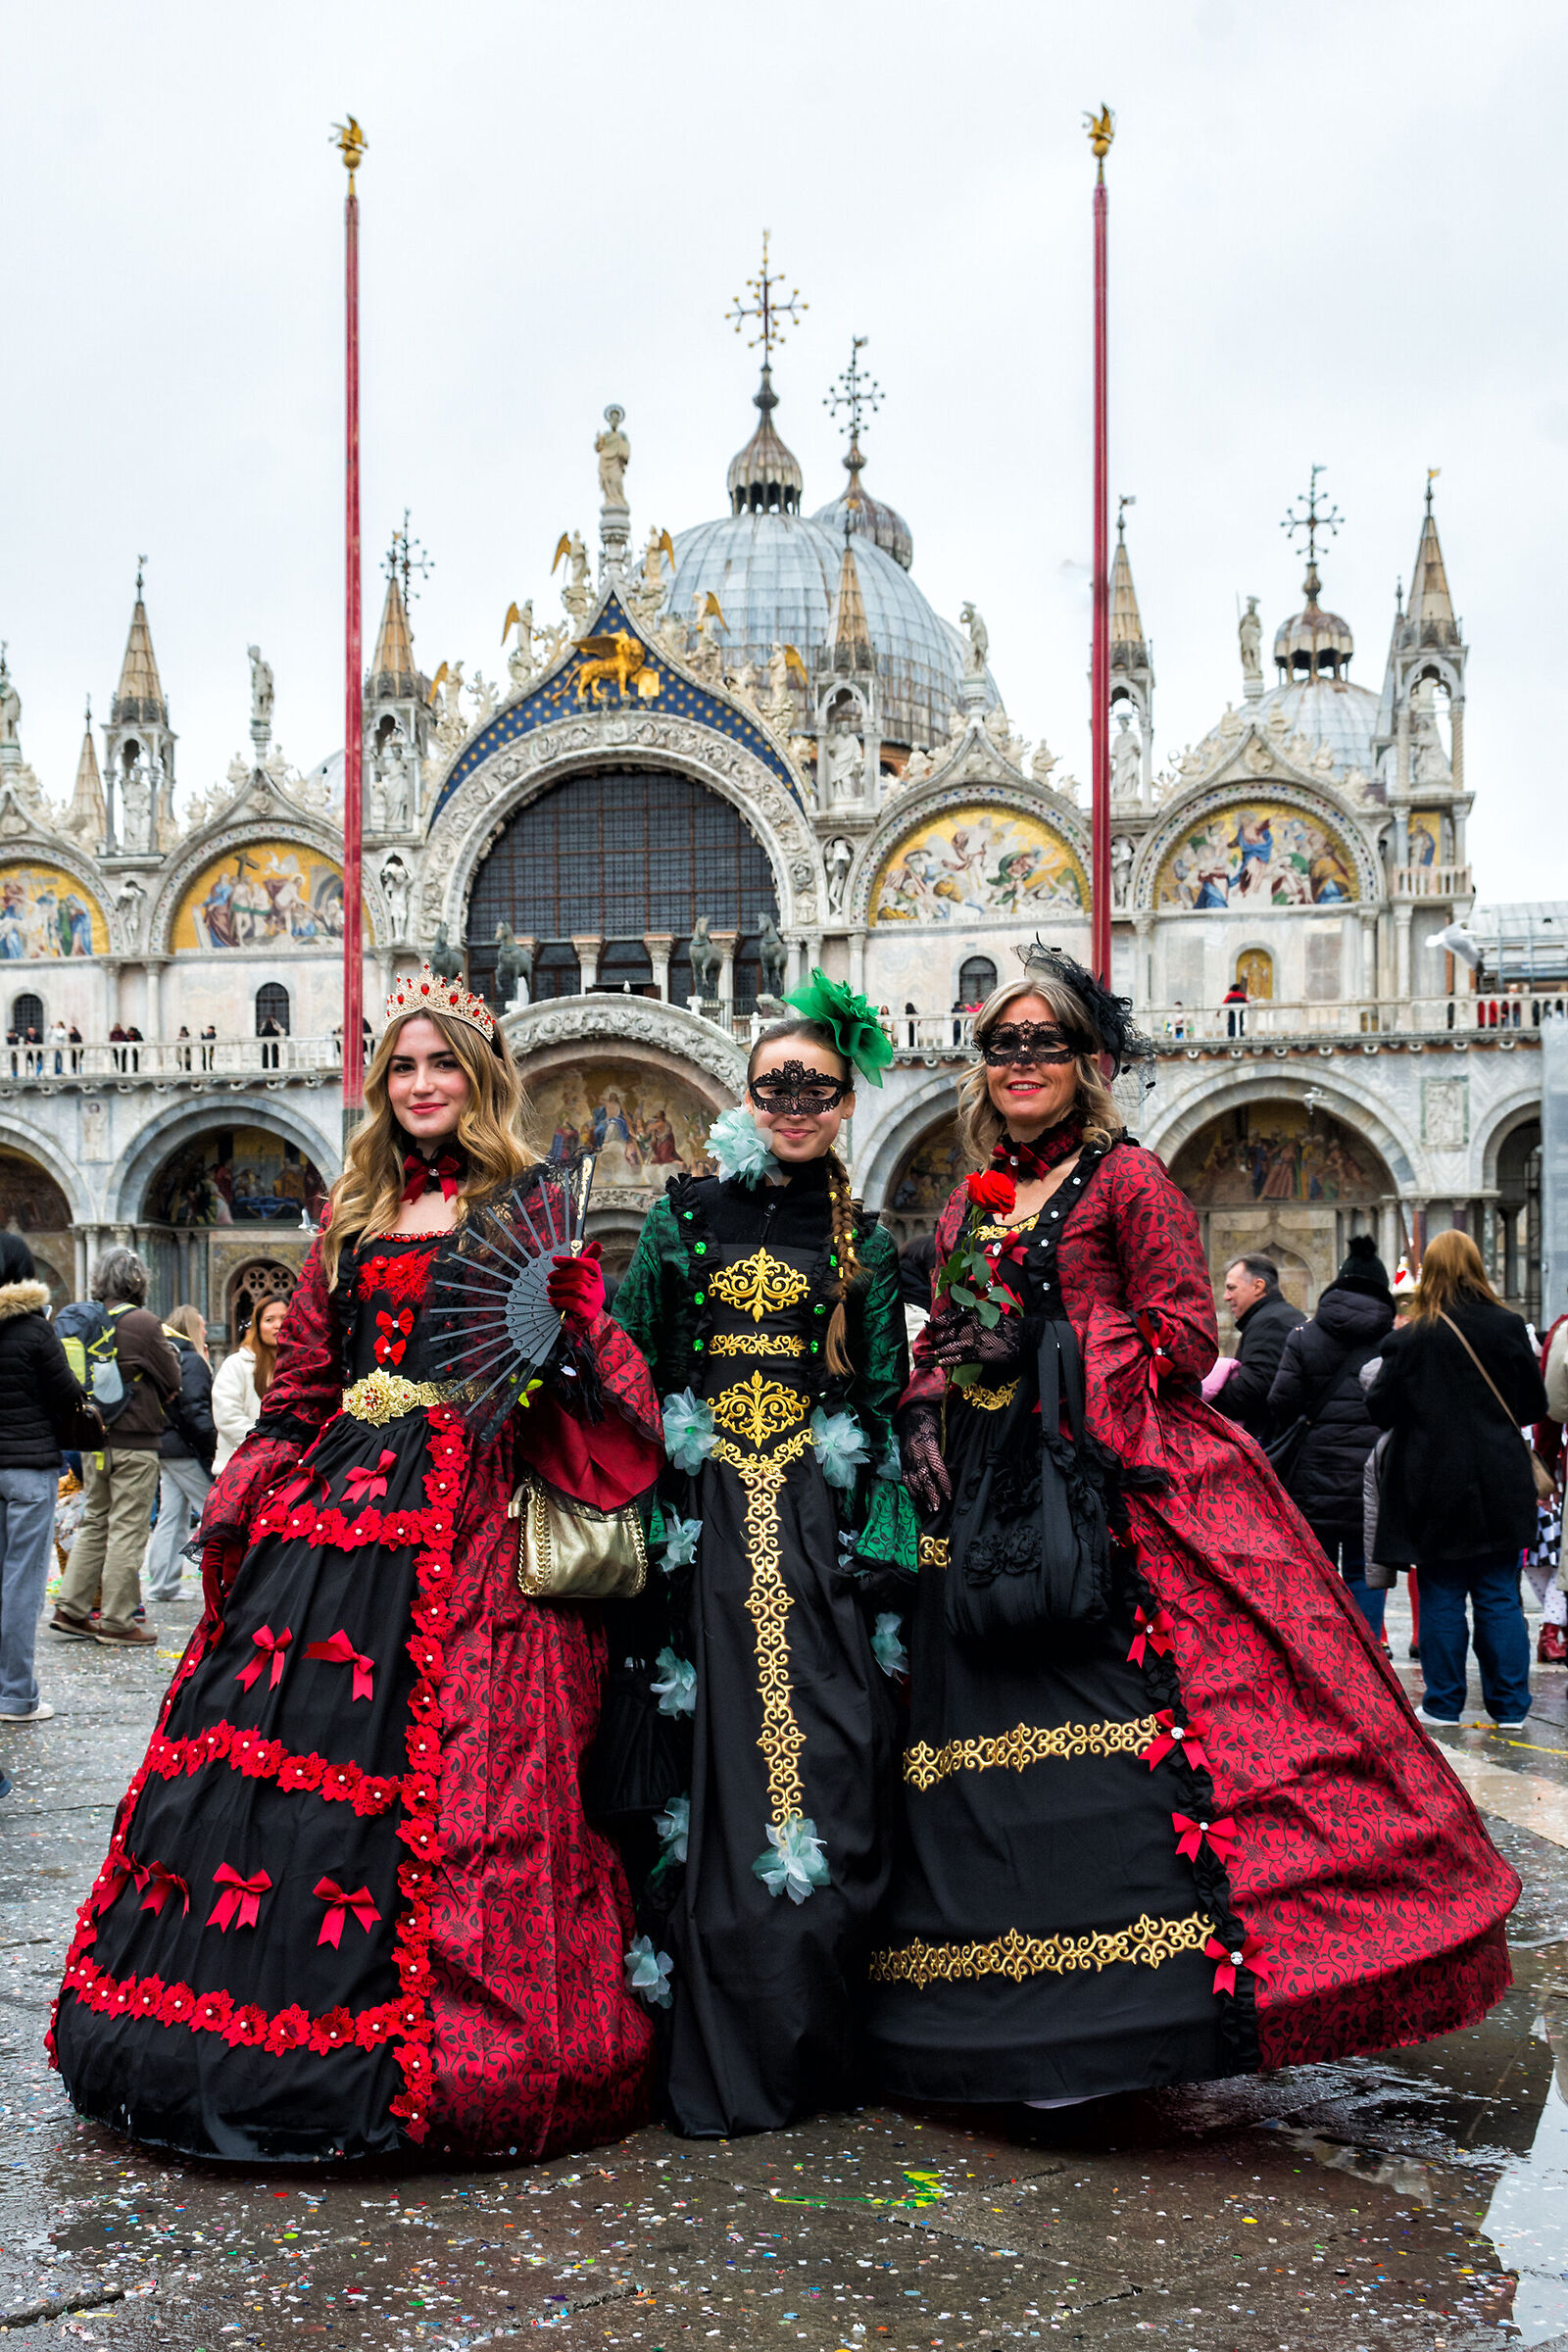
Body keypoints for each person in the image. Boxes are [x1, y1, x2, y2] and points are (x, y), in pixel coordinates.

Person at [867, 944, 1517, 2113]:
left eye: (1043, 1045)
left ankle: (1129, 2022)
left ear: (1086, 1062)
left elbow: (1176, 1335)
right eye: (1002, 1045)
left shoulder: (1130, 1181)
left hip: (1117, 1493)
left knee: (1132, 1744)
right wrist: (923, 1411)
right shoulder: (973, 1197)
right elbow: (941, 1340)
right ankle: (1003, 2018)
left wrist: (1050, 1349)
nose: (1022, 1064)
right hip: (987, 1503)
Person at [52, 964, 663, 2164]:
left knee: (481, 1769)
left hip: (475, 1515)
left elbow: (601, 1377)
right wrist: (256, 1480)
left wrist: (576, 1325)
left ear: (479, 1080)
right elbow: (308, 1387)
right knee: (286, 1766)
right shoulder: (350, 1213)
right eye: (403, 1065)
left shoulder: (528, 1203)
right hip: (342, 1524)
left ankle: (468, 2037)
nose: (422, 1084)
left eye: (443, 1064)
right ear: (383, 1083)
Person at [612, 973, 915, 2137]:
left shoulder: (866, 1242)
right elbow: (638, 1358)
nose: (794, 1103)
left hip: (816, 1528)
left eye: (817, 1087)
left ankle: (816, 2020)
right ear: (744, 1090)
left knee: (839, 1748)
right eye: (775, 1084)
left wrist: (883, 1541)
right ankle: (717, 2019)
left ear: (845, 1102)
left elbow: (882, 1401)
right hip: (703, 1529)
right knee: (708, 1762)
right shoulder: (686, 1214)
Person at [1366, 1230, 1548, 1732]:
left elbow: (1379, 1407)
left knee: (1443, 1589)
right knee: (1498, 1592)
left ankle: (1444, 1704)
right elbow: (1534, 1404)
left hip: (1431, 1481)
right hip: (1501, 1479)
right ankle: (1510, 1707)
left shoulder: (1411, 1338)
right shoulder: (1509, 1327)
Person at [50, 1250, 180, 1648]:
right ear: (138, 1280)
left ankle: (71, 1609)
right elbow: (173, 1375)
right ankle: (118, 1620)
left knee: (95, 1522)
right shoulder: (141, 1321)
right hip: (134, 1442)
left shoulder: (86, 1318)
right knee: (128, 1528)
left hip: (95, 1440)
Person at [1268, 1235, 1396, 1638]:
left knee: (1316, 1569)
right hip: (1372, 1475)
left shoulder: (1304, 1336)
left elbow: (1280, 1402)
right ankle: (1368, 1658)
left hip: (1313, 1474)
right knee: (1364, 1570)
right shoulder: (1393, 1342)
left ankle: (1323, 1656)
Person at [0, 1237, 101, 1722]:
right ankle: (16, 1696)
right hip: (29, 1471)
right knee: (22, 1584)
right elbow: (69, 1394)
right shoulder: (35, 1331)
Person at [143, 1304, 217, 1603]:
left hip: (165, 1444)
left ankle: (162, 1583)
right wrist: (212, 1447)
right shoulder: (192, 1361)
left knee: (172, 1515)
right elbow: (195, 1410)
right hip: (186, 1447)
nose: (206, 1331)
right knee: (213, 1509)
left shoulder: (168, 1356)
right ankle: (227, 1575)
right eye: (201, 1325)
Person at [1209, 1254, 1304, 1443]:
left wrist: (1201, 1398)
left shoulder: (1270, 1322)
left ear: (1258, 1287)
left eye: (1231, 1288)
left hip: (1272, 1440)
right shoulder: (1276, 1316)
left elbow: (1252, 1391)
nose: (1226, 1297)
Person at [211, 1295, 290, 1472]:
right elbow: (227, 1415)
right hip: (241, 1466)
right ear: (258, 1326)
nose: (278, 1325)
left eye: (284, 1318)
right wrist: (265, 1444)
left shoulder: (298, 1365)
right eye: (270, 1320)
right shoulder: (236, 1364)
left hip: (284, 1466)